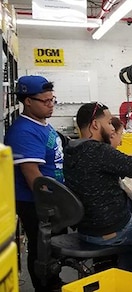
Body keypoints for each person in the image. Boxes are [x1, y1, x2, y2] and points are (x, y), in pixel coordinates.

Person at [63, 102, 132, 271]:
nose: (112, 128)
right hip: (110, 230)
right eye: (109, 123)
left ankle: (127, 276)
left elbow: (119, 166)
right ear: (95, 125)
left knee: (131, 242)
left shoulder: (73, 149)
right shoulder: (99, 151)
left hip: (86, 228)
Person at [4, 75, 64, 292]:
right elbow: (34, 178)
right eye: (46, 101)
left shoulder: (41, 124)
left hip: (49, 198)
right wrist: (53, 207)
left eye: (53, 99)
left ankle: (54, 283)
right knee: (43, 252)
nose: (51, 105)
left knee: (52, 248)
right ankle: (46, 288)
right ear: (28, 101)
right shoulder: (24, 131)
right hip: (36, 202)